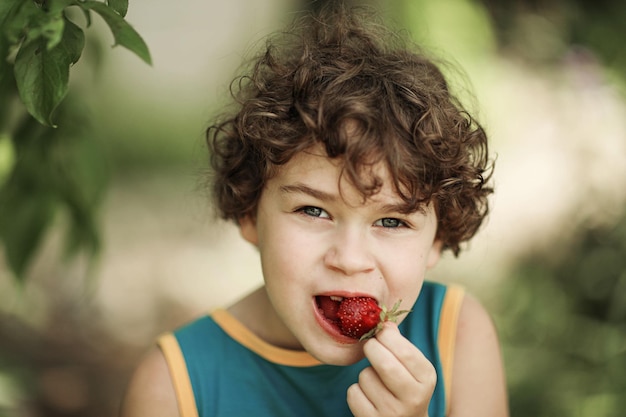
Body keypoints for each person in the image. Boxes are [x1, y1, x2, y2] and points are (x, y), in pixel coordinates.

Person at [120, 4, 508, 417]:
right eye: (313, 211)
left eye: (392, 220)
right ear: (250, 212)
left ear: (438, 237)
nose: (350, 259)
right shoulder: (173, 387)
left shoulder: (457, 336)